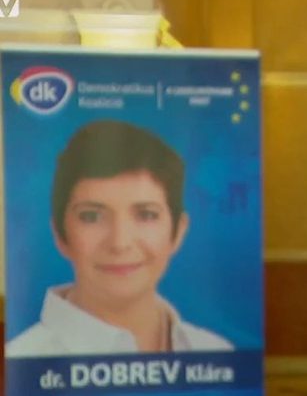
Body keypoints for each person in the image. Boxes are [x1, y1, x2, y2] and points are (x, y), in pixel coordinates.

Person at [6, 120, 232, 357]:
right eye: (91, 216)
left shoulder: (216, 352)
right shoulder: (23, 359)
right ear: (59, 234)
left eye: (146, 215)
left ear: (178, 231)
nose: (120, 243)